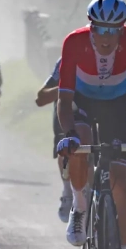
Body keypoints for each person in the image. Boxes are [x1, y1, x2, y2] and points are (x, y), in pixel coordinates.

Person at [56, 0, 126, 249]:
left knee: (122, 182)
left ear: (123, 29)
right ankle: (80, 205)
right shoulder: (74, 42)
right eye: (100, 30)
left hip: (116, 109)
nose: (107, 37)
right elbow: (64, 100)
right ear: (90, 27)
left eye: (114, 30)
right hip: (81, 104)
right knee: (80, 139)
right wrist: (67, 134)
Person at [35, 58, 88, 223]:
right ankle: (67, 192)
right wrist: (67, 88)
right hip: (69, 109)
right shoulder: (67, 60)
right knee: (68, 142)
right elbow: (41, 98)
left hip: (97, 110)